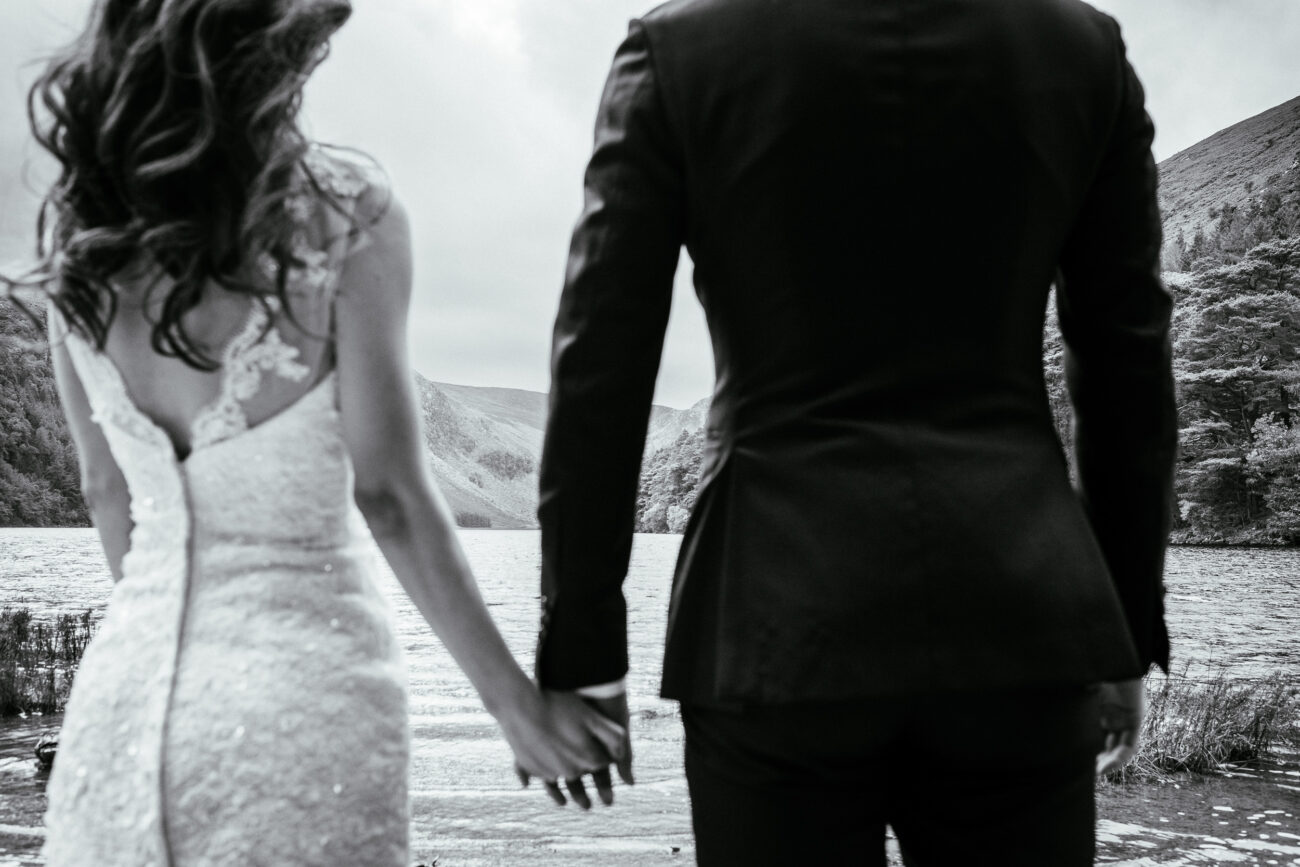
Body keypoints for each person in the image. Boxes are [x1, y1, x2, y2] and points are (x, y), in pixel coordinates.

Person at [534, 0, 1177, 863]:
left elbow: (601, 367)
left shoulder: (680, 48)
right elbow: (1128, 358)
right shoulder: (1079, 47)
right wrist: (1126, 631)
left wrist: (581, 648)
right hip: (1022, 611)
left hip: (771, 613)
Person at [12, 1, 621, 863]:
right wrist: (516, 705)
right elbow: (391, 495)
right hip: (306, 703)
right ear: (272, 52)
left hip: (127, 700)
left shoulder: (78, 242)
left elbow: (106, 490)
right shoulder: (345, 214)